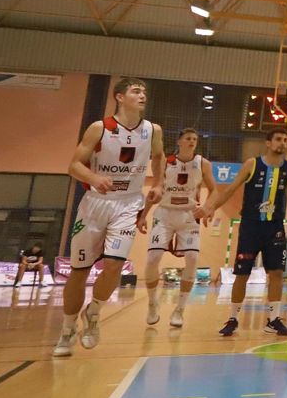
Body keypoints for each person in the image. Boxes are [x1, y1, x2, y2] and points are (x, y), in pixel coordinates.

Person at [55, 77, 166, 357]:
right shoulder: (100, 128)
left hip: (128, 204)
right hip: (95, 204)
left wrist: (159, 183)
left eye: (144, 91)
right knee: (79, 272)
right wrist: (93, 177)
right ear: (119, 96)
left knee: (115, 264)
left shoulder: (152, 130)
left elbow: (159, 157)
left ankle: (93, 312)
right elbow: (73, 165)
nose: (142, 95)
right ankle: (67, 329)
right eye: (135, 91)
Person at [202, 125, 287, 337]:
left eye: (285, 140)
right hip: (251, 226)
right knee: (242, 274)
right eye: (278, 139)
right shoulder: (251, 164)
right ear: (268, 143)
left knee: (277, 273)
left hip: (275, 228)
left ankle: (273, 319)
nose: (282, 143)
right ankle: (233, 318)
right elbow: (229, 189)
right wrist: (211, 208)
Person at [141, 127, 213, 328]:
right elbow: (155, 190)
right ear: (179, 141)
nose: (192, 141)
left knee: (192, 258)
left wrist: (209, 207)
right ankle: (153, 302)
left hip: (189, 215)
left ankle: (179, 309)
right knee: (153, 258)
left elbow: (215, 191)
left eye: (195, 139)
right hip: (164, 213)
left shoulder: (202, 164)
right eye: (188, 138)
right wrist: (143, 215)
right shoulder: (166, 162)